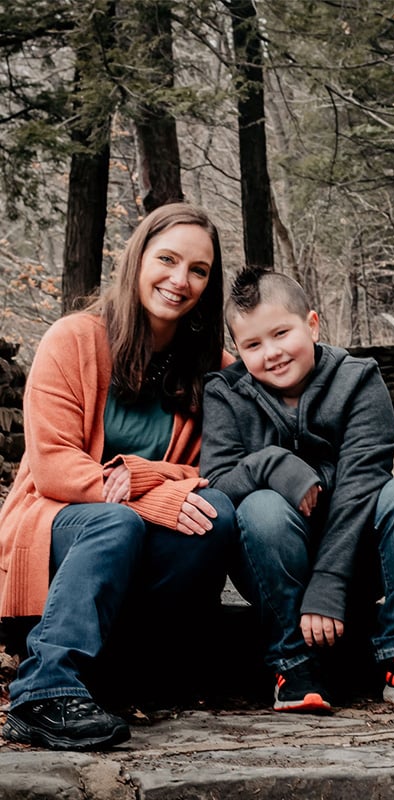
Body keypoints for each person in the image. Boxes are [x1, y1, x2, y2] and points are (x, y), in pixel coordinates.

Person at [0, 203, 238, 752]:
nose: (180, 280)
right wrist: (142, 500)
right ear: (137, 260)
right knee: (114, 525)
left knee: (216, 516)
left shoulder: (214, 370)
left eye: (198, 270)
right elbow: (55, 464)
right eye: (168, 259)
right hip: (55, 520)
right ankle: (41, 690)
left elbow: (214, 471)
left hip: (130, 527)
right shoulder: (74, 339)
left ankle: (125, 672)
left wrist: (136, 482)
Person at [200, 266, 394, 715]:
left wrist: (329, 582)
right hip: (276, 560)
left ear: (312, 324)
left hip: (358, 558)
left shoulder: (357, 379)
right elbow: (218, 482)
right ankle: (294, 660)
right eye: (253, 345)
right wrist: (274, 464)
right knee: (259, 505)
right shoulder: (226, 393)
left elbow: (363, 483)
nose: (272, 353)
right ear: (235, 350)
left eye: (282, 333)